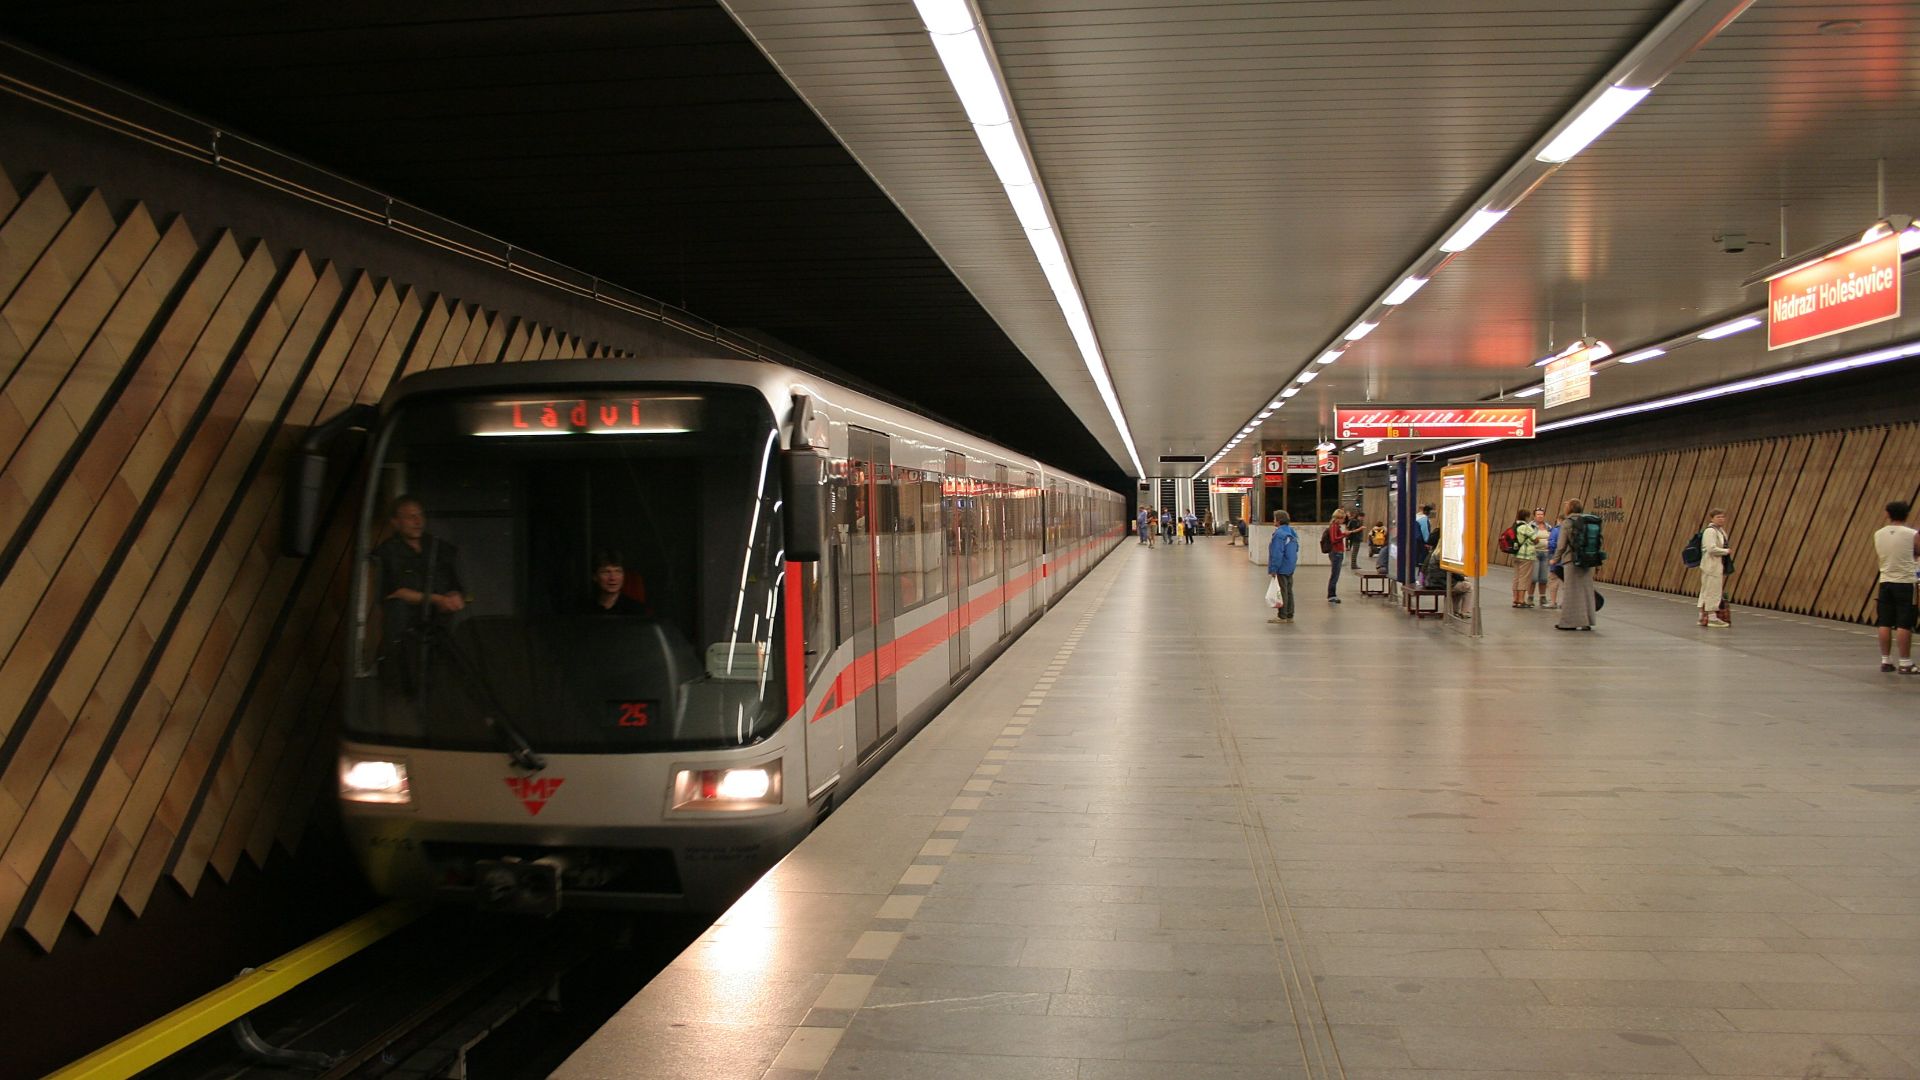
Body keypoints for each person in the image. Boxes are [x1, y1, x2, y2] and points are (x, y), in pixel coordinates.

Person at [370, 495, 467, 693]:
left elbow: (455, 583)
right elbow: (398, 592)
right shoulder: (387, 552)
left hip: (441, 629)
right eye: (410, 516)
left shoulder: (439, 548)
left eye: (420, 515)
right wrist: (438, 599)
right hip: (405, 636)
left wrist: (456, 596)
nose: (417, 521)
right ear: (395, 522)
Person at [1872, 500, 1919, 673]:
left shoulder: (1878, 534)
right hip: (1906, 582)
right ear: (1906, 514)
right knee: (1904, 623)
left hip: (1885, 581)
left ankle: (1886, 660)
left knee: (1884, 621)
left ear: (1888, 513)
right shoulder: (1912, 533)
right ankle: (1905, 662)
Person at [1553, 498, 1596, 631]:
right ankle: (1587, 621)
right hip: (1588, 560)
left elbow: (1561, 545)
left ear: (1570, 509)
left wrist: (1555, 558)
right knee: (1586, 591)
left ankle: (1568, 623)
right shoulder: (1589, 520)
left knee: (1571, 592)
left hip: (1572, 560)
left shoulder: (1567, 522)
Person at [1696, 509, 1732, 628]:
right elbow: (1711, 548)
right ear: (1712, 518)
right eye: (1718, 517)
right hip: (1711, 565)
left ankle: (1702, 617)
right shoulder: (1710, 531)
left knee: (1707, 590)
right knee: (1713, 591)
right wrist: (1725, 551)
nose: (1721, 519)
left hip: (1715, 565)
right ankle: (1712, 617)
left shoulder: (1720, 531)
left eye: (1722, 517)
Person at [587, 549, 647, 614]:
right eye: (606, 572)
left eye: (618, 571)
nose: (613, 578)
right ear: (595, 577)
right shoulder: (585, 609)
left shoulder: (636, 610)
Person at [1267, 511, 1299, 623]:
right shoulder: (1291, 532)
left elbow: (1277, 553)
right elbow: (1296, 548)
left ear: (1279, 521)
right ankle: (1290, 614)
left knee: (1282, 591)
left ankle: (1282, 615)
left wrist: (1273, 568)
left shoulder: (1279, 534)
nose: (1273, 521)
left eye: (1274, 518)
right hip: (1290, 565)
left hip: (1281, 566)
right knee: (1289, 590)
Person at [1326, 508, 1360, 603]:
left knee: (1335, 574)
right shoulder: (1334, 526)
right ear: (1338, 518)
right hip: (1336, 552)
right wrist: (1344, 535)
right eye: (1342, 518)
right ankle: (1331, 595)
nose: (1343, 520)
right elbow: (1334, 539)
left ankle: (1332, 594)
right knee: (1335, 574)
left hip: (1338, 552)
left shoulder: (1336, 526)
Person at [1509, 508, 1539, 608]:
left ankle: (1515, 599)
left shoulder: (1514, 526)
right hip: (1526, 555)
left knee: (1516, 577)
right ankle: (1521, 600)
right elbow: (1536, 539)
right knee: (1524, 577)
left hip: (1515, 554)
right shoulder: (1526, 527)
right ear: (1526, 517)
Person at [1530, 508, 1554, 608]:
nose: (1540, 516)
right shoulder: (1530, 526)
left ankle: (1542, 597)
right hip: (1534, 553)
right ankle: (1530, 597)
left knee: (1543, 578)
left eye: (1542, 514)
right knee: (1534, 577)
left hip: (1546, 553)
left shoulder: (1548, 527)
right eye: (1538, 514)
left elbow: (1552, 537)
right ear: (1534, 516)